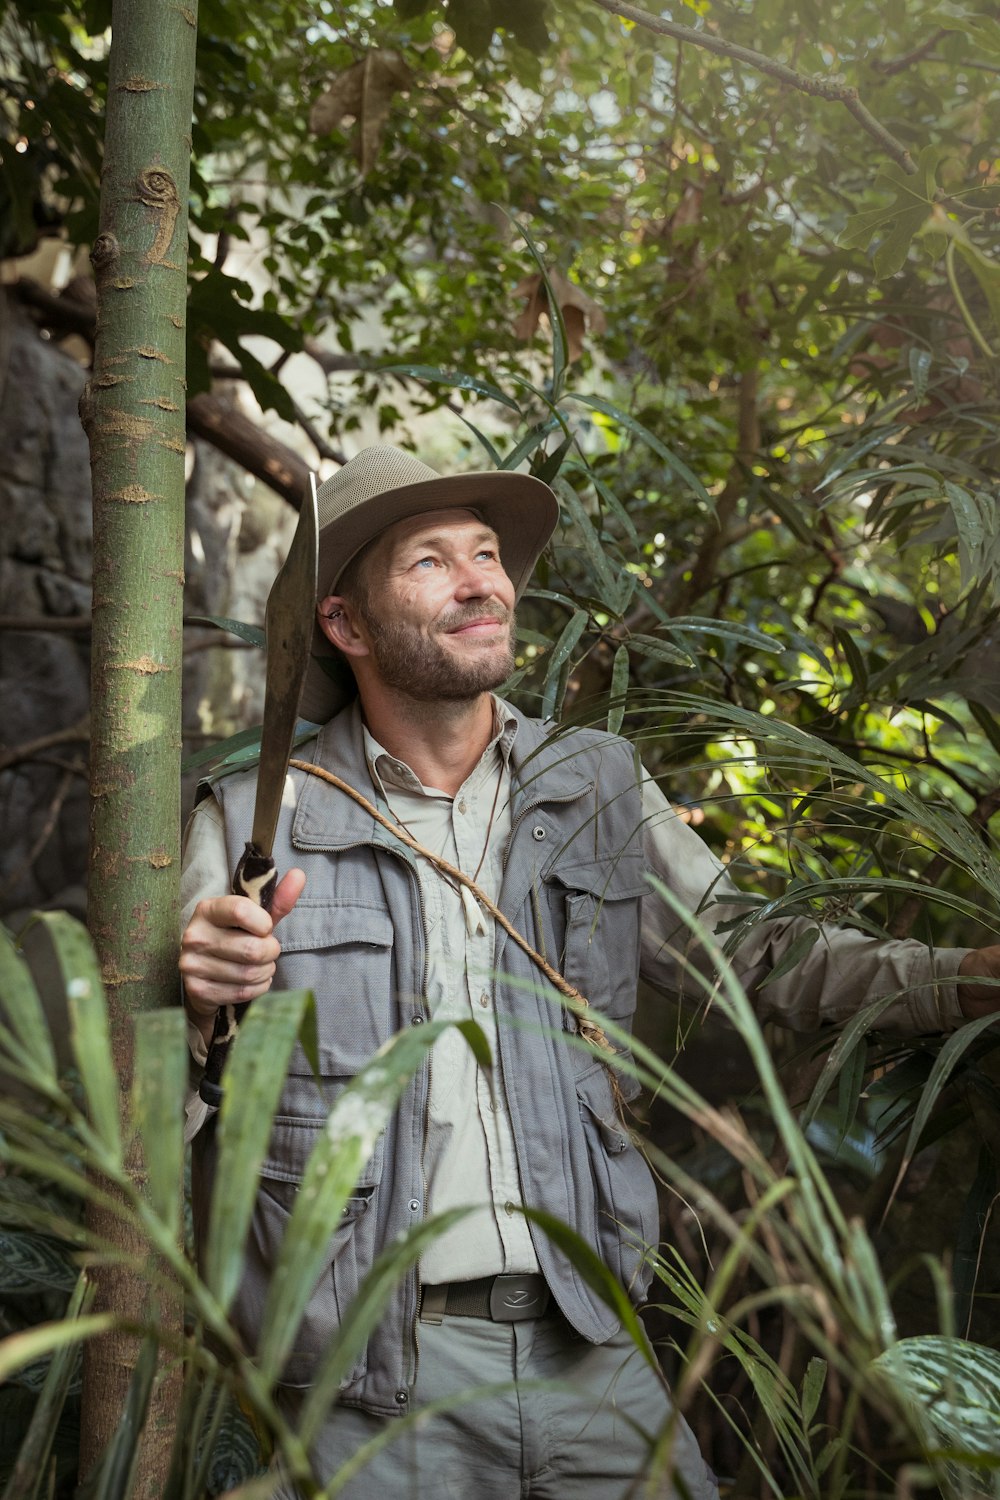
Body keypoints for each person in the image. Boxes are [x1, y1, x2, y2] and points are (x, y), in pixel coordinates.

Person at [180, 445, 1000, 1499]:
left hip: (590, 1343)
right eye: (430, 562)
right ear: (344, 625)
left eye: (486, 554)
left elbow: (756, 952)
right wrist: (200, 1002)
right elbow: (152, 1098)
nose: (483, 582)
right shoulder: (259, 818)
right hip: (363, 1376)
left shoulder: (594, 785)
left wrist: (965, 977)